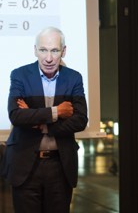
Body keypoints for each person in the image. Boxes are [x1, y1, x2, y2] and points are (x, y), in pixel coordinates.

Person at [0, 27, 88, 213]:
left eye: (54, 51)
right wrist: (57, 112)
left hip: (60, 166)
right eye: (43, 50)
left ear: (63, 51)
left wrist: (43, 125)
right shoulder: (20, 75)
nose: (48, 58)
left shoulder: (73, 78)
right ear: (35, 50)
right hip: (25, 165)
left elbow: (80, 120)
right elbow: (16, 115)